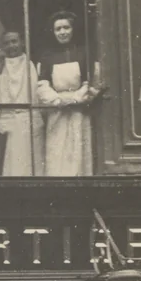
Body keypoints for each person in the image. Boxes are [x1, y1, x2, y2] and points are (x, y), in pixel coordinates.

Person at [37, 11, 101, 177]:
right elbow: (43, 84)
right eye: (58, 29)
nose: (62, 32)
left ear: (73, 29)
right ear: (53, 32)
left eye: (66, 27)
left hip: (79, 110)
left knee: (79, 153)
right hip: (57, 111)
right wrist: (57, 100)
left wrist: (76, 98)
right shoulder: (47, 56)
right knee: (56, 152)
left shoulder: (84, 53)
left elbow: (92, 82)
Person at [0, 30, 44, 176]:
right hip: (9, 122)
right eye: (7, 43)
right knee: (12, 166)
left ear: (22, 43)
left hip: (29, 121)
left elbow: (37, 93)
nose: (11, 46)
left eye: (14, 41)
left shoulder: (30, 65)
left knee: (32, 165)